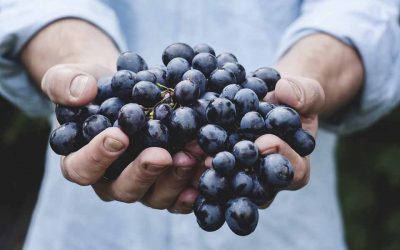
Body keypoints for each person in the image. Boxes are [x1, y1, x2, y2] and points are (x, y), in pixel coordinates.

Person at [1, 0, 399, 249]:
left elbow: (369, 10)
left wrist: (302, 80)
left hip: (285, 229)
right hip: (88, 231)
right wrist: (79, 62)